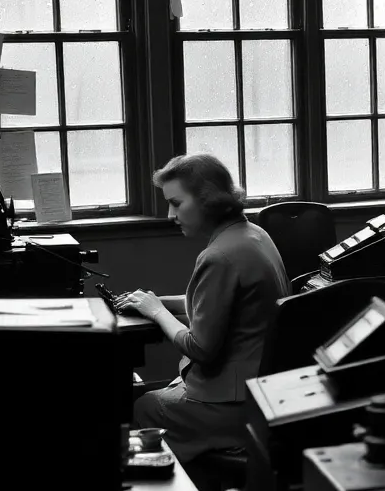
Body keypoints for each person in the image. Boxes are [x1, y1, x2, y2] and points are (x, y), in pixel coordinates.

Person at [119, 153, 290, 464]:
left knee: (144, 405)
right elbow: (223, 308)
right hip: (261, 392)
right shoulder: (254, 235)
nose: (170, 214)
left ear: (207, 200)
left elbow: (201, 348)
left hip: (235, 408)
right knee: (165, 389)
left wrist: (157, 312)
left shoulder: (218, 256)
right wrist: (152, 302)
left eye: (176, 203)